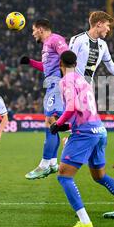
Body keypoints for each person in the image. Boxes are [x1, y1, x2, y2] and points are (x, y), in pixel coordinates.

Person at [50, 51, 114, 227]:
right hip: (99, 130)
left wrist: (58, 124)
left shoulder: (66, 81)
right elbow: (83, 109)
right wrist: (67, 125)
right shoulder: (83, 80)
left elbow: (71, 107)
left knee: (64, 176)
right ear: (76, 63)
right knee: (99, 176)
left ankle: (85, 221)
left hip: (85, 133)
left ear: (60, 63)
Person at [20, 19, 69, 180]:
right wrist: (30, 62)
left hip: (57, 83)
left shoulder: (55, 39)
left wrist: (66, 78)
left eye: (33, 30)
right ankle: (53, 163)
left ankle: (44, 164)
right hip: (51, 83)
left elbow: (67, 56)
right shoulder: (46, 45)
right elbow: (46, 67)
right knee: (51, 122)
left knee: (51, 120)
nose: (32, 33)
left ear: (40, 29)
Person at [69, 11, 114, 87]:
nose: (108, 29)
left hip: (88, 89)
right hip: (73, 87)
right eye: (107, 25)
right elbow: (68, 65)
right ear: (99, 24)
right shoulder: (78, 39)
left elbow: (111, 66)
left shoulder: (103, 45)